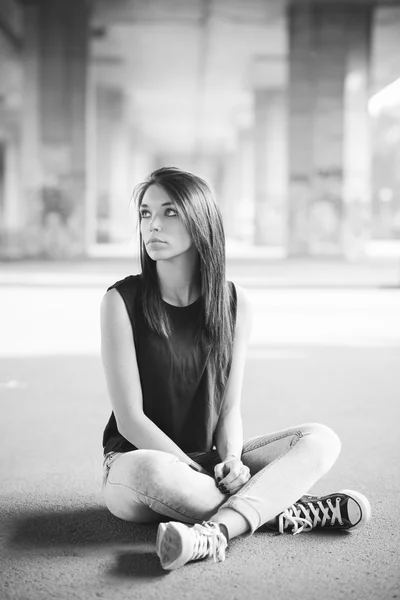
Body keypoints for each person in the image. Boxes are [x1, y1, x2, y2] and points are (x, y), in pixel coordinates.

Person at [100, 167, 371, 571]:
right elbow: (130, 420)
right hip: (137, 466)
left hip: (210, 463)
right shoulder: (120, 301)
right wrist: (198, 472)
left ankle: (214, 533)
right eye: (145, 213)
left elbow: (228, 409)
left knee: (319, 439)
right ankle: (283, 508)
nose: (152, 224)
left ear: (201, 220)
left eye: (169, 212)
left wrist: (232, 461)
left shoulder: (236, 302)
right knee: (153, 473)